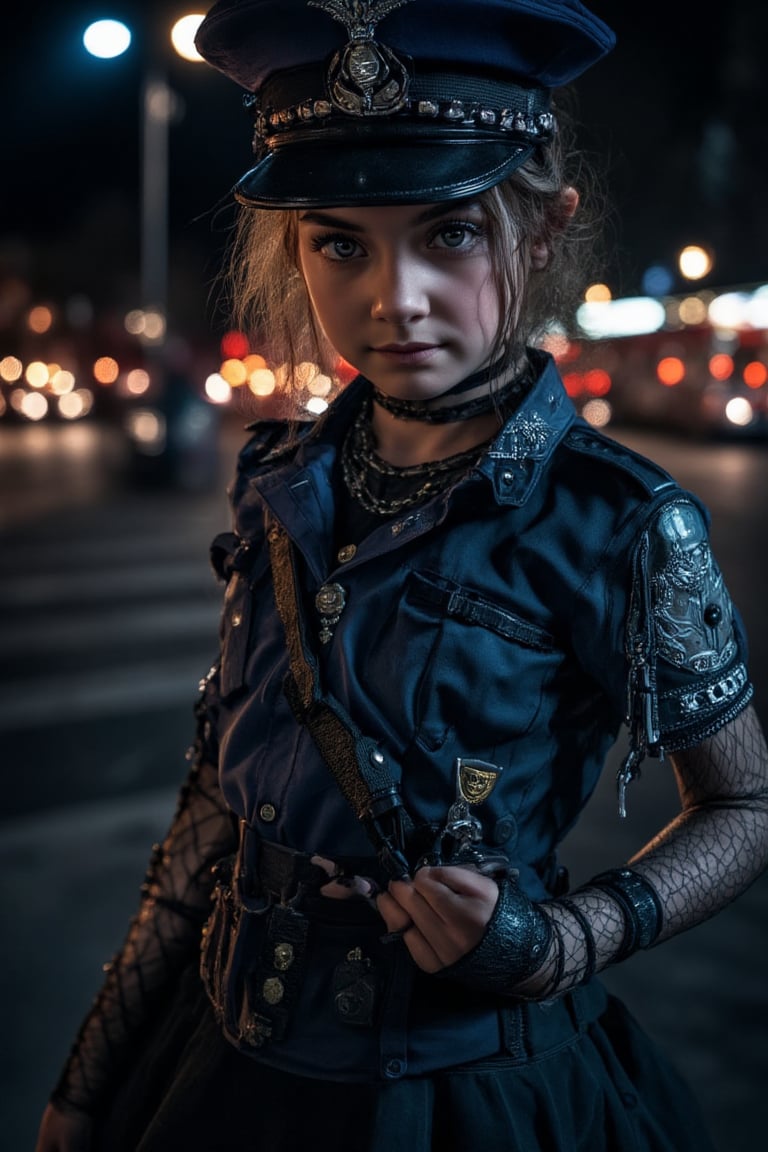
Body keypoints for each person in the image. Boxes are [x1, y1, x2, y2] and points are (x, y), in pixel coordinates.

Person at [36, 1, 768, 1150]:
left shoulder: (622, 520)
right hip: (221, 1070)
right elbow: (211, 820)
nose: (395, 297)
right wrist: (89, 1084)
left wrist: (569, 940)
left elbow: (745, 803)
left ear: (541, 231)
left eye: (450, 235)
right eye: (342, 243)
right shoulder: (279, 480)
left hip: (459, 1095)